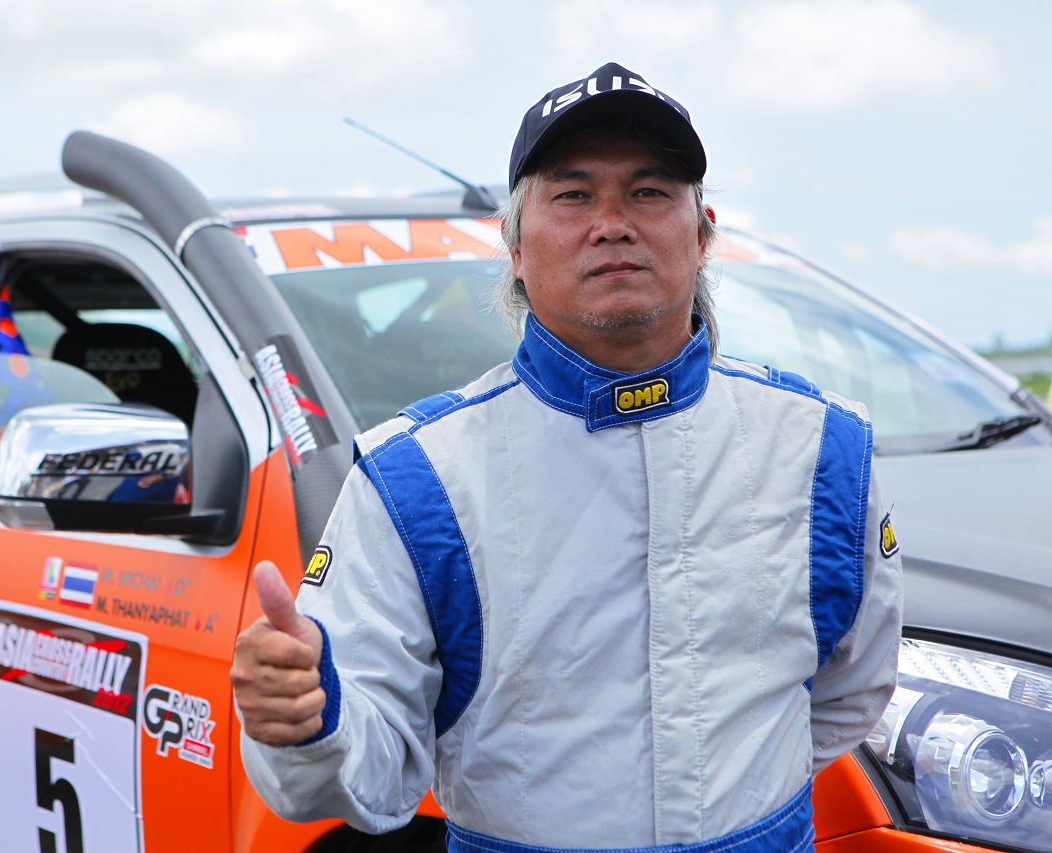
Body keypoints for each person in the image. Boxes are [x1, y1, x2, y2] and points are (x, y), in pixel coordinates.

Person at [230, 62, 902, 853]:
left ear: (702, 237)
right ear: (514, 246)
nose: (612, 223)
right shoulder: (416, 480)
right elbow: (365, 773)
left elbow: (848, 692)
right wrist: (308, 720)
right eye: (574, 195)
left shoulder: (824, 446)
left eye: (648, 192)